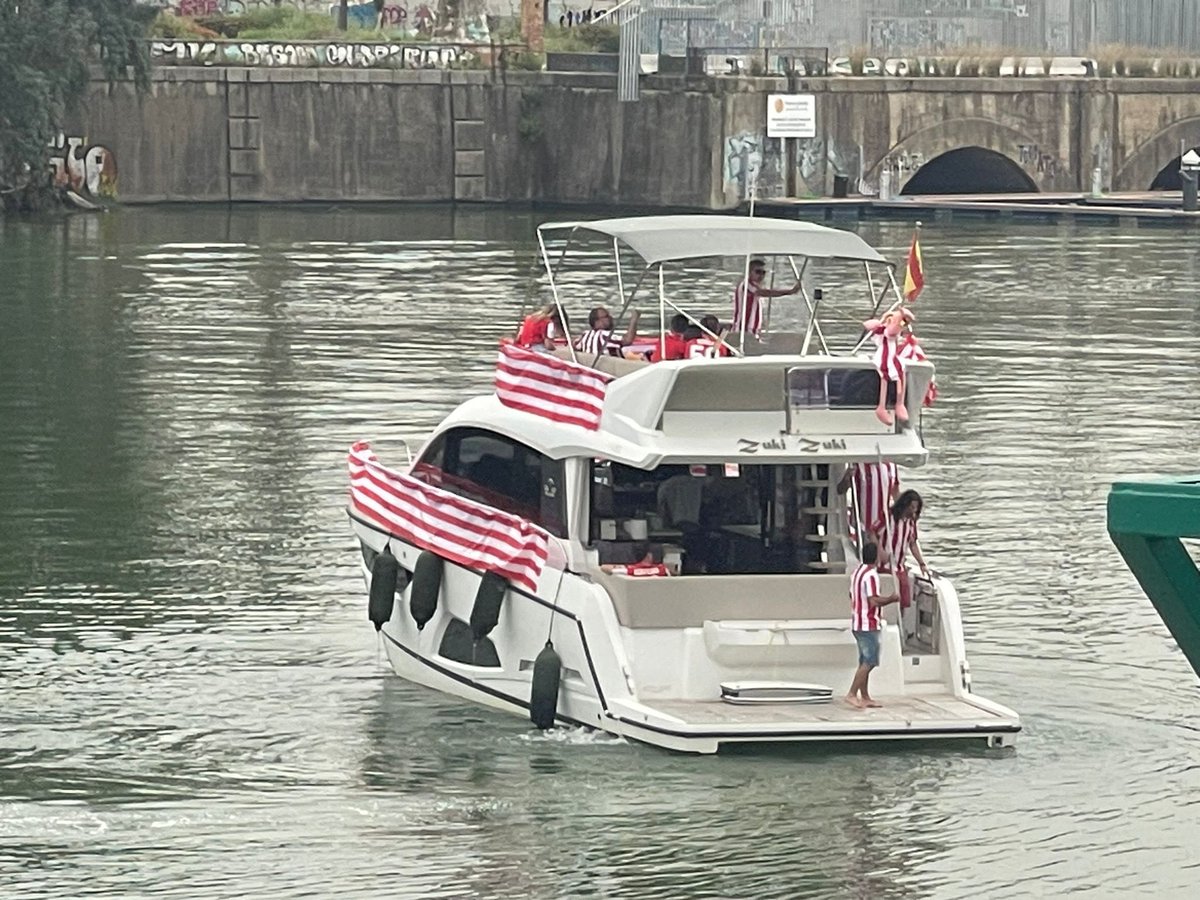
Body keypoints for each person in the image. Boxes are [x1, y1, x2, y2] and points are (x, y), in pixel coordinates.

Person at [846, 542, 900, 709]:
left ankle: (865, 696)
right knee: (869, 661)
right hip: (868, 624)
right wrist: (892, 598)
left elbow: (851, 594)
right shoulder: (871, 575)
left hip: (857, 621)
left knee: (864, 660)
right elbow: (873, 600)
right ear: (876, 556)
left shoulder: (856, 573)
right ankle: (852, 693)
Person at [881, 488, 929, 610]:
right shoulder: (887, 517)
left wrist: (921, 563)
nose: (914, 510)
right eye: (912, 507)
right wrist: (880, 552)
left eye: (916, 508)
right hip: (885, 565)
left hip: (900, 567)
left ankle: (900, 620)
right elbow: (873, 533)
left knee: (903, 601)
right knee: (889, 600)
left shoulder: (911, 523)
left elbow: (912, 544)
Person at [732, 259, 800, 338]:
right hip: (744, 330)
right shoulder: (747, 285)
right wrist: (789, 291)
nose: (761, 275)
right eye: (757, 272)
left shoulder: (754, 285)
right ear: (749, 272)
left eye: (763, 272)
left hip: (753, 330)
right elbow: (766, 293)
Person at [837, 460, 900, 547]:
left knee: (885, 557)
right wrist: (847, 477)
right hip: (864, 525)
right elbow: (840, 490)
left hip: (885, 525)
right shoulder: (858, 465)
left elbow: (895, 491)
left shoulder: (891, 465)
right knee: (868, 557)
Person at [576, 306, 641, 357]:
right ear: (597, 321)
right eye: (606, 316)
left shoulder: (585, 335)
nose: (610, 318)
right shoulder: (604, 335)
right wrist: (634, 319)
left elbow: (575, 346)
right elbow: (627, 340)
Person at [600, 541, 671, 576]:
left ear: (649, 555)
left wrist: (618, 567)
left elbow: (604, 568)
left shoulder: (631, 570)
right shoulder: (663, 570)